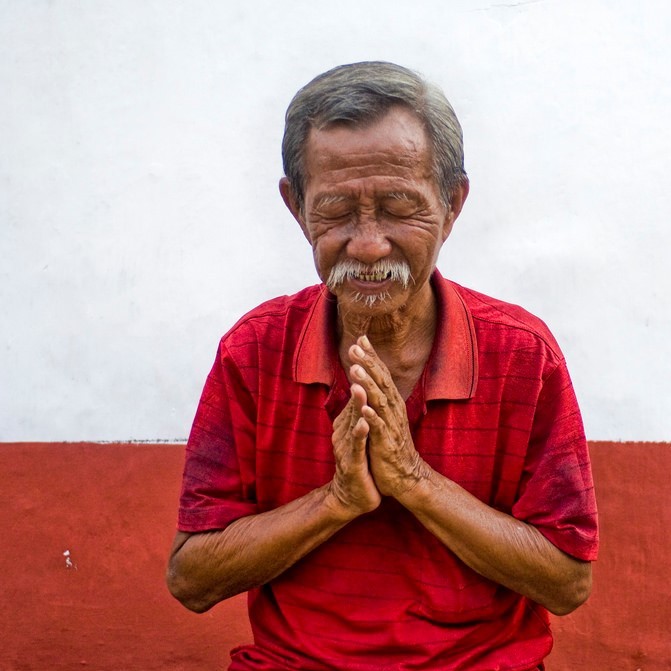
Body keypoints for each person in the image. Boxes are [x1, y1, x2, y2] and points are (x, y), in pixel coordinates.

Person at [166, 61, 598, 670]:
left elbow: (567, 585)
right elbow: (191, 579)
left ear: (452, 205)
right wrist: (338, 499)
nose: (367, 243)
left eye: (399, 207)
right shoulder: (254, 350)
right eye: (337, 210)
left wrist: (413, 483)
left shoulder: (522, 355)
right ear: (295, 207)